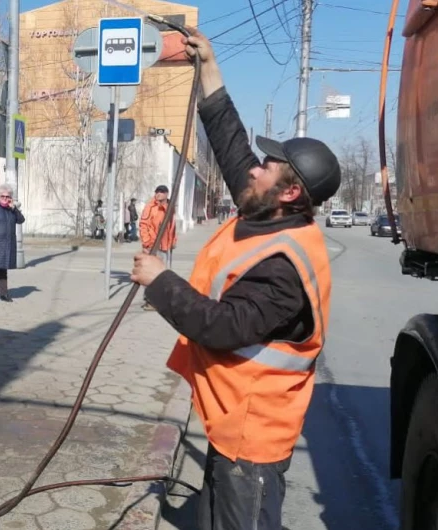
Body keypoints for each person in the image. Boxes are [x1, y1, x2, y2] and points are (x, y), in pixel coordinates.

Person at [129, 28, 341, 530]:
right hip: (230, 422)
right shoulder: (269, 211)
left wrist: (161, 282)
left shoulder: (286, 264)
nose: (254, 170)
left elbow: (224, 327)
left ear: (290, 192)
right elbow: (229, 145)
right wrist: (211, 69)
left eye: (267, 167)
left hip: (254, 437)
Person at [138, 185, 176, 311]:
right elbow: (143, 225)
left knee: (164, 273)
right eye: (157, 192)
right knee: (151, 273)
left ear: (166, 194)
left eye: (161, 192)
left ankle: (160, 300)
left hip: (166, 245)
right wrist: (147, 243)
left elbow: (171, 226)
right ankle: (150, 301)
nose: (158, 194)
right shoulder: (151, 207)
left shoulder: (170, 206)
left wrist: (173, 241)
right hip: (154, 245)